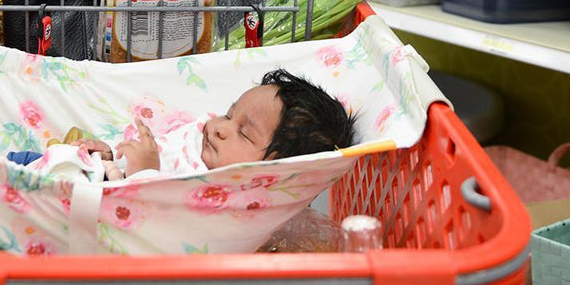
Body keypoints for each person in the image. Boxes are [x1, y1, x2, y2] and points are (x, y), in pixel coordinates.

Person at [68, 68, 357, 180]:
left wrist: (145, 174)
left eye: (244, 133)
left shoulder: (220, 197)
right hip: (77, 173)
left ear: (276, 169)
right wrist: (108, 156)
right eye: (229, 114)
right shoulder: (199, 143)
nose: (220, 126)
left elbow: (154, 220)